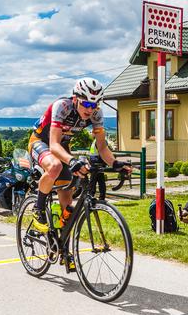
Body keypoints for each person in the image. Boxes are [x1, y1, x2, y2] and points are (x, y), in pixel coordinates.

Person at [29, 78, 131, 234]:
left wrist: (115, 163)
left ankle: (61, 246)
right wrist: (71, 161)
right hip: (41, 142)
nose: (90, 110)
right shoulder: (62, 106)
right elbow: (54, 145)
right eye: (87, 104)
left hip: (62, 147)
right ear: (75, 99)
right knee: (55, 166)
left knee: (68, 202)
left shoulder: (96, 114)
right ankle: (39, 207)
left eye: (95, 104)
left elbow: (102, 147)